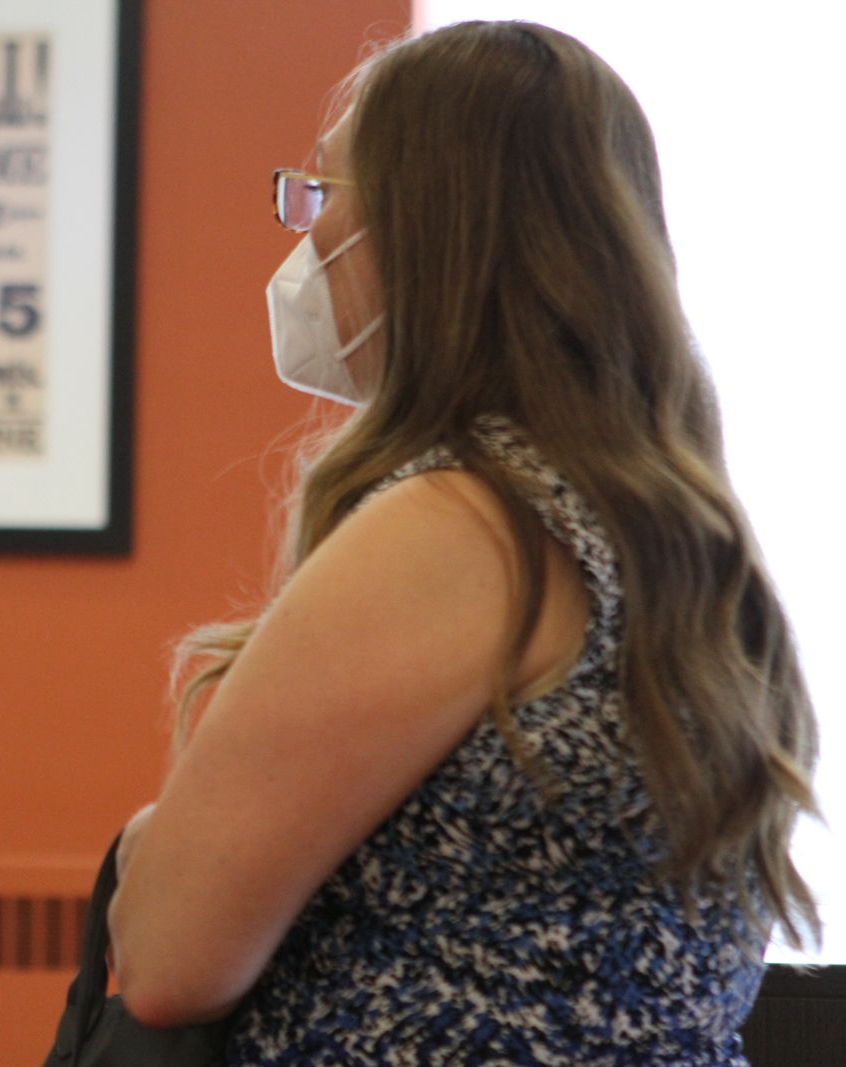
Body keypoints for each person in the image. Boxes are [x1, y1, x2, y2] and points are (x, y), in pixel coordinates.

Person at [107, 21, 818, 1065]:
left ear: (425, 231)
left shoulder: (461, 525)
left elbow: (169, 959)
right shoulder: (680, 528)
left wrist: (144, 847)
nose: (304, 240)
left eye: (322, 195)